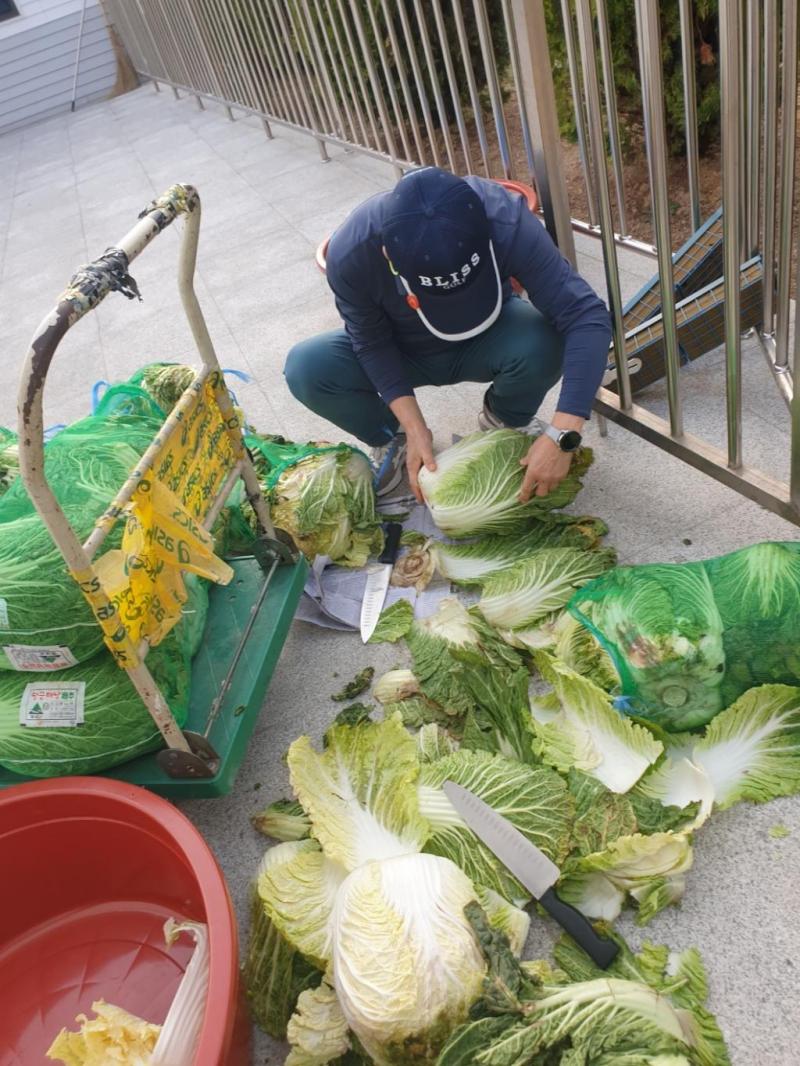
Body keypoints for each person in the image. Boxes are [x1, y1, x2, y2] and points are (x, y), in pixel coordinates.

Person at [285, 166, 612, 504]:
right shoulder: (352, 253)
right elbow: (371, 341)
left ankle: (505, 419)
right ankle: (391, 436)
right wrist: (414, 426)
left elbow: (585, 315)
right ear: (388, 255)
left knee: (547, 339)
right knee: (308, 367)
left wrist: (564, 432)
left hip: (489, 335)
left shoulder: (502, 216)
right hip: (405, 350)